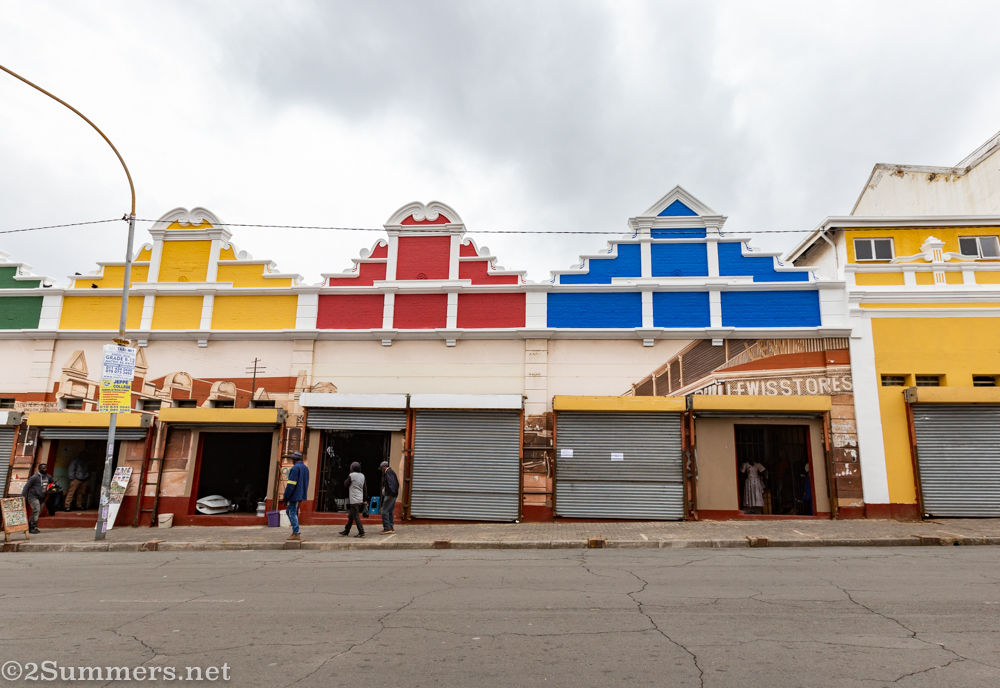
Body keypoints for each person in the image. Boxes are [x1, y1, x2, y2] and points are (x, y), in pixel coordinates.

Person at [282, 452, 309, 541]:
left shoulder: (295, 468)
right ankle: (295, 531)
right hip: (300, 494)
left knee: (291, 512)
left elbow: (291, 484)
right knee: (289, 511)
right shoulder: (305, 468)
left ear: (294, 460)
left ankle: (296, 532)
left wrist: (286, 495)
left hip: (294, 494)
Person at [22, 464, 53, 534]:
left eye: (46, 468)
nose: (45, 469)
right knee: (36, 510)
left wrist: (49, 489)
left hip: (42, 497)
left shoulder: (48, 477)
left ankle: (29, 526)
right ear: (39, 469)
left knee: (37, 512)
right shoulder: (34, 477)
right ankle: (33, 527)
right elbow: (26, 487)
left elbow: (51, 482)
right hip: (33, 497)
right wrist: (23, 497)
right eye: (43, 468)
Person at [339, 461, 366, 538]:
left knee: (356, 516)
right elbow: (365, 488)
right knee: (351, 516)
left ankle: (361, 532)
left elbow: (346, 484)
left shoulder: (352, 475)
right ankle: (346, 531)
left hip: (354, 499)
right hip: (360, 498)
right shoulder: (362, 476)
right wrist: (365, 499)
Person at [379, 461, 399, 534]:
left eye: (382, 468)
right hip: (393, 495)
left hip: (390, 495)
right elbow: (397, 484)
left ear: (384, 467)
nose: (381, 470)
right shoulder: (392, 472)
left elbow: (392, 484)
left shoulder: (388, 472)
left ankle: (387, 528)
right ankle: (391, 527)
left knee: (384, 511)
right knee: (389, 511)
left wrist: (391, 495)